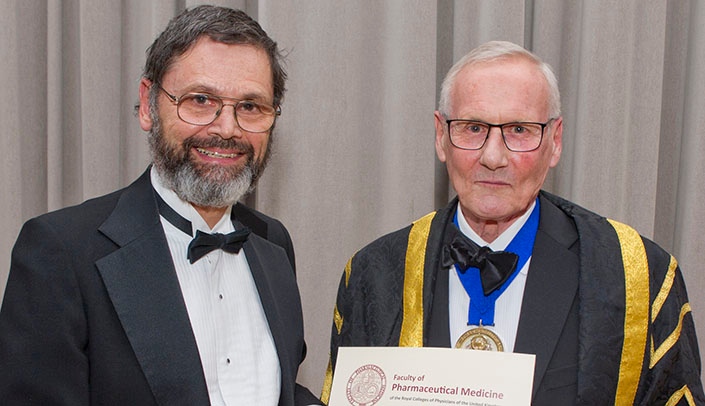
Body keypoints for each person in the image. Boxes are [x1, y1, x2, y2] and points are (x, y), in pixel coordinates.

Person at [321, 40, 705, 405]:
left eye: (519, 130)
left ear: (555, 141)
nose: (492, 156)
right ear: (441, 136)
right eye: (473, 128)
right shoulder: (373, 275)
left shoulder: (637, 275)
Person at [0, 5, 322, 406]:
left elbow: (280, 392)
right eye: (200, 100)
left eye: (250, 106)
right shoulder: (61, 252)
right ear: (149, 105)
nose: (227, 129)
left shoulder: (272, 242)